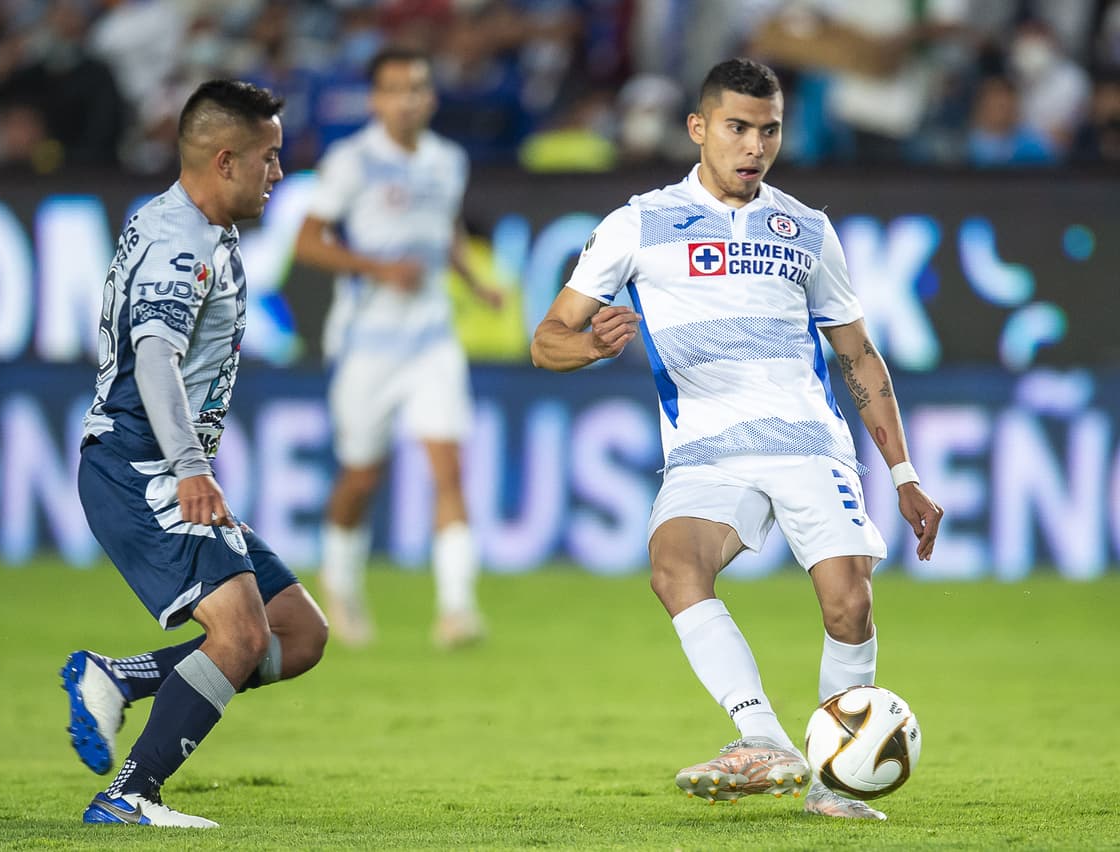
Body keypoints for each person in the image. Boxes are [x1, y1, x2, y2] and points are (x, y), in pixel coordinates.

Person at [530, 58, 943, 821]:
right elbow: (547, 338)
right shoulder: (639, 222)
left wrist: (905, 471)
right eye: (737, 127)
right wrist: (589, 346)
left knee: (848, 606)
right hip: (707, 449)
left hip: (808, 442)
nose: (754, 145)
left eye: (769, 130)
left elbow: (857, 354)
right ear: (699, 129)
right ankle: (762, 736)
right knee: (673, 567)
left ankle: (834, 785)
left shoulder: (807, 229)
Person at [64, 79, 328, 829]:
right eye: (269, 158)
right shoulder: (181, 240)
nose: (279, 172)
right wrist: (189, 467)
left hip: (153, 463)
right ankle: (131, 794)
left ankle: (118, 678)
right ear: (226, 159)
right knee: (241, 636)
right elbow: (154, 355)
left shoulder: (189, 225)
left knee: (297, 634)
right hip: (140, 465)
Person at [294, 46, 504, 649]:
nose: (408, 99)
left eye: (417, 87)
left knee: (449, 470)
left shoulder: (447, 161)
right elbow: (308, 243)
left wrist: (474, 282)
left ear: (430, 96)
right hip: (368, 344)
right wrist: (377, 269)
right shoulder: (351, 161)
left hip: (432, 338)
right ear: (376, 99)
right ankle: (340, 584)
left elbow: (446, 231)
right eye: (395, 89)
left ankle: (457, 611)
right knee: (361, 476)